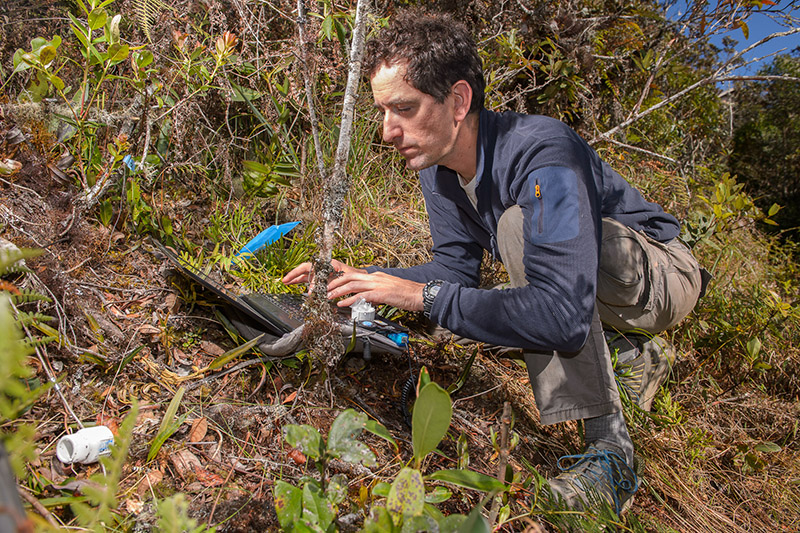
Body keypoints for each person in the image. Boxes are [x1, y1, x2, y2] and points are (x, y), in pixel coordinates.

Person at [283, 10, 704, 514]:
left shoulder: (544, 150)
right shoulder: (438, 169)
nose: (387, 131)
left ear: (458, 100)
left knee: (515, 232)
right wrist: (370, 281)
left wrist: (423, 297)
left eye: (404, 108)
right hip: (593, 289)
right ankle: (628, 353)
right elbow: (453, 274)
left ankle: (610, 454)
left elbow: (562, 318)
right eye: (382, 112)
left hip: (661, 276)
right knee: (476, 306)